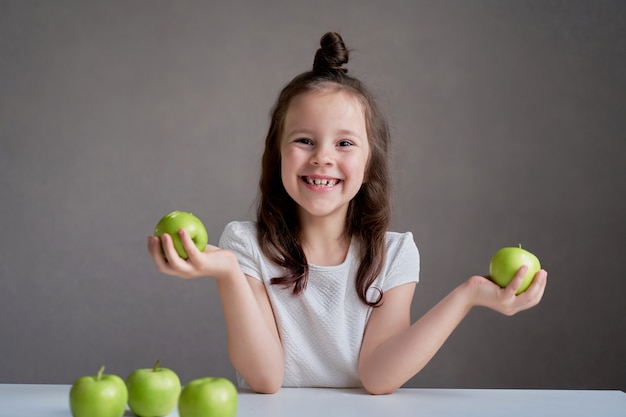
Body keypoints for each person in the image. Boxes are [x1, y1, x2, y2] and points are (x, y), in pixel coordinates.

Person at [147, 32, 548, 395]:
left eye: (344, 143)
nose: (322, 157)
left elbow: (378, 377)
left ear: (371, 163)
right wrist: (229, 273)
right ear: (277, 155)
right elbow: (266, 378)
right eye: (304, 140)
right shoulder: (244, 245)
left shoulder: (395, 254)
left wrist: (468, 296)